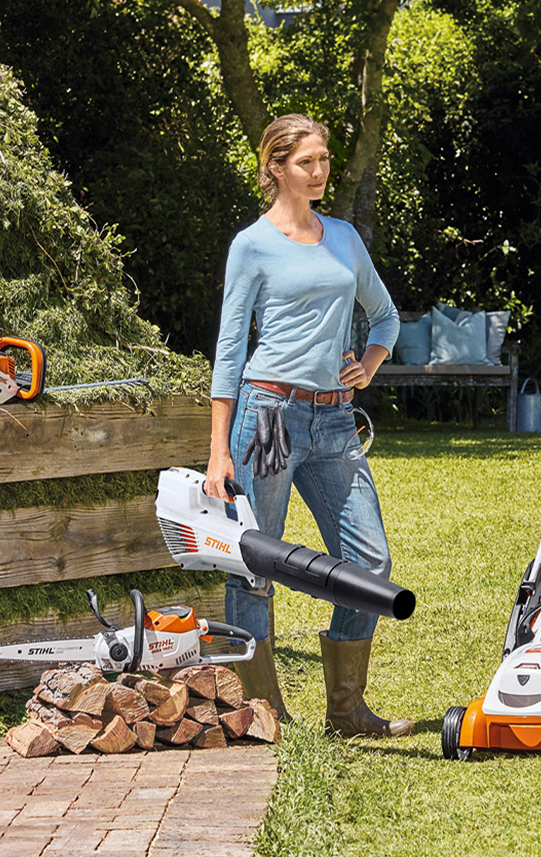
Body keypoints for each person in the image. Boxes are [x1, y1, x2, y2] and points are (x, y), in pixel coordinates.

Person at [206, 114, 412, 737]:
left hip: (333, 423)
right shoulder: (253, 245)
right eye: (306, 162)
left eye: (324, 159)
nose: (319, 171)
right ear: (275, 167)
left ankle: (346, 711)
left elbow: (385, 316)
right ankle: (261, 714)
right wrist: (219, 452)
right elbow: (229, 347)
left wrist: (369, 366)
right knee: (256, 560)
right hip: (268, 415)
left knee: (369, 560)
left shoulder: (344, 237)